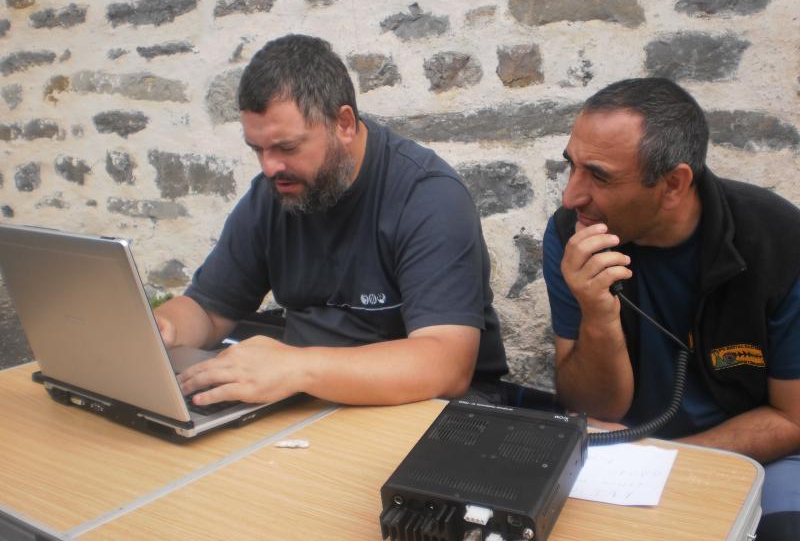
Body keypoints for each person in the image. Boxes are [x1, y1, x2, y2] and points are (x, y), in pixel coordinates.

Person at [155, 34, 507, 409]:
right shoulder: (275, 194)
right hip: (309, 403)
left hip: (427, 411)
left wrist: (296, 368)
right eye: (258, 149)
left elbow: (445, 366)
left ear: (344, 124)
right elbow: (209, 311)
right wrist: (163, 329)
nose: (269, 167)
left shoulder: (427, 197)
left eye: (287, 147)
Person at [542, 77, 800, 540]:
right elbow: (589, 406)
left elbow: (791, 418)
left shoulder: (778, 241)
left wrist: (669, 460)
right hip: (624, 453)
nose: (571, 196)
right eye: (571, 167)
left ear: (674, 184)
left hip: (759, 455)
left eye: (599, 176)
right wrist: (598, 316)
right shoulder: (572, 234)